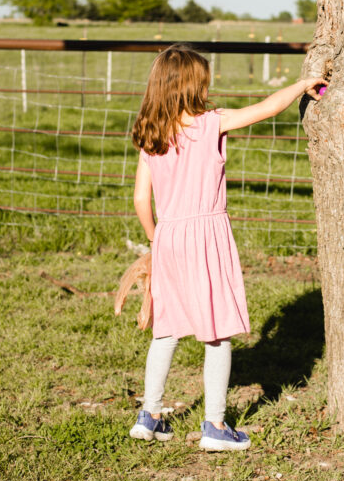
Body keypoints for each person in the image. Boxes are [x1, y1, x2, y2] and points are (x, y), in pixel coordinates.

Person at [128, 44, 323, 451]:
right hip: (206, 235)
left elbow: (140, 200)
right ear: (192, 87)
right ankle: (215, 426)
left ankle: (150, 415)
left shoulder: (151, 132)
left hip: (167, 236)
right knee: (216, 333)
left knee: (165, 331)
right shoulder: (211, 123)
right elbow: (267, 108)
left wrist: (154, 239)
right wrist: (303, 84)